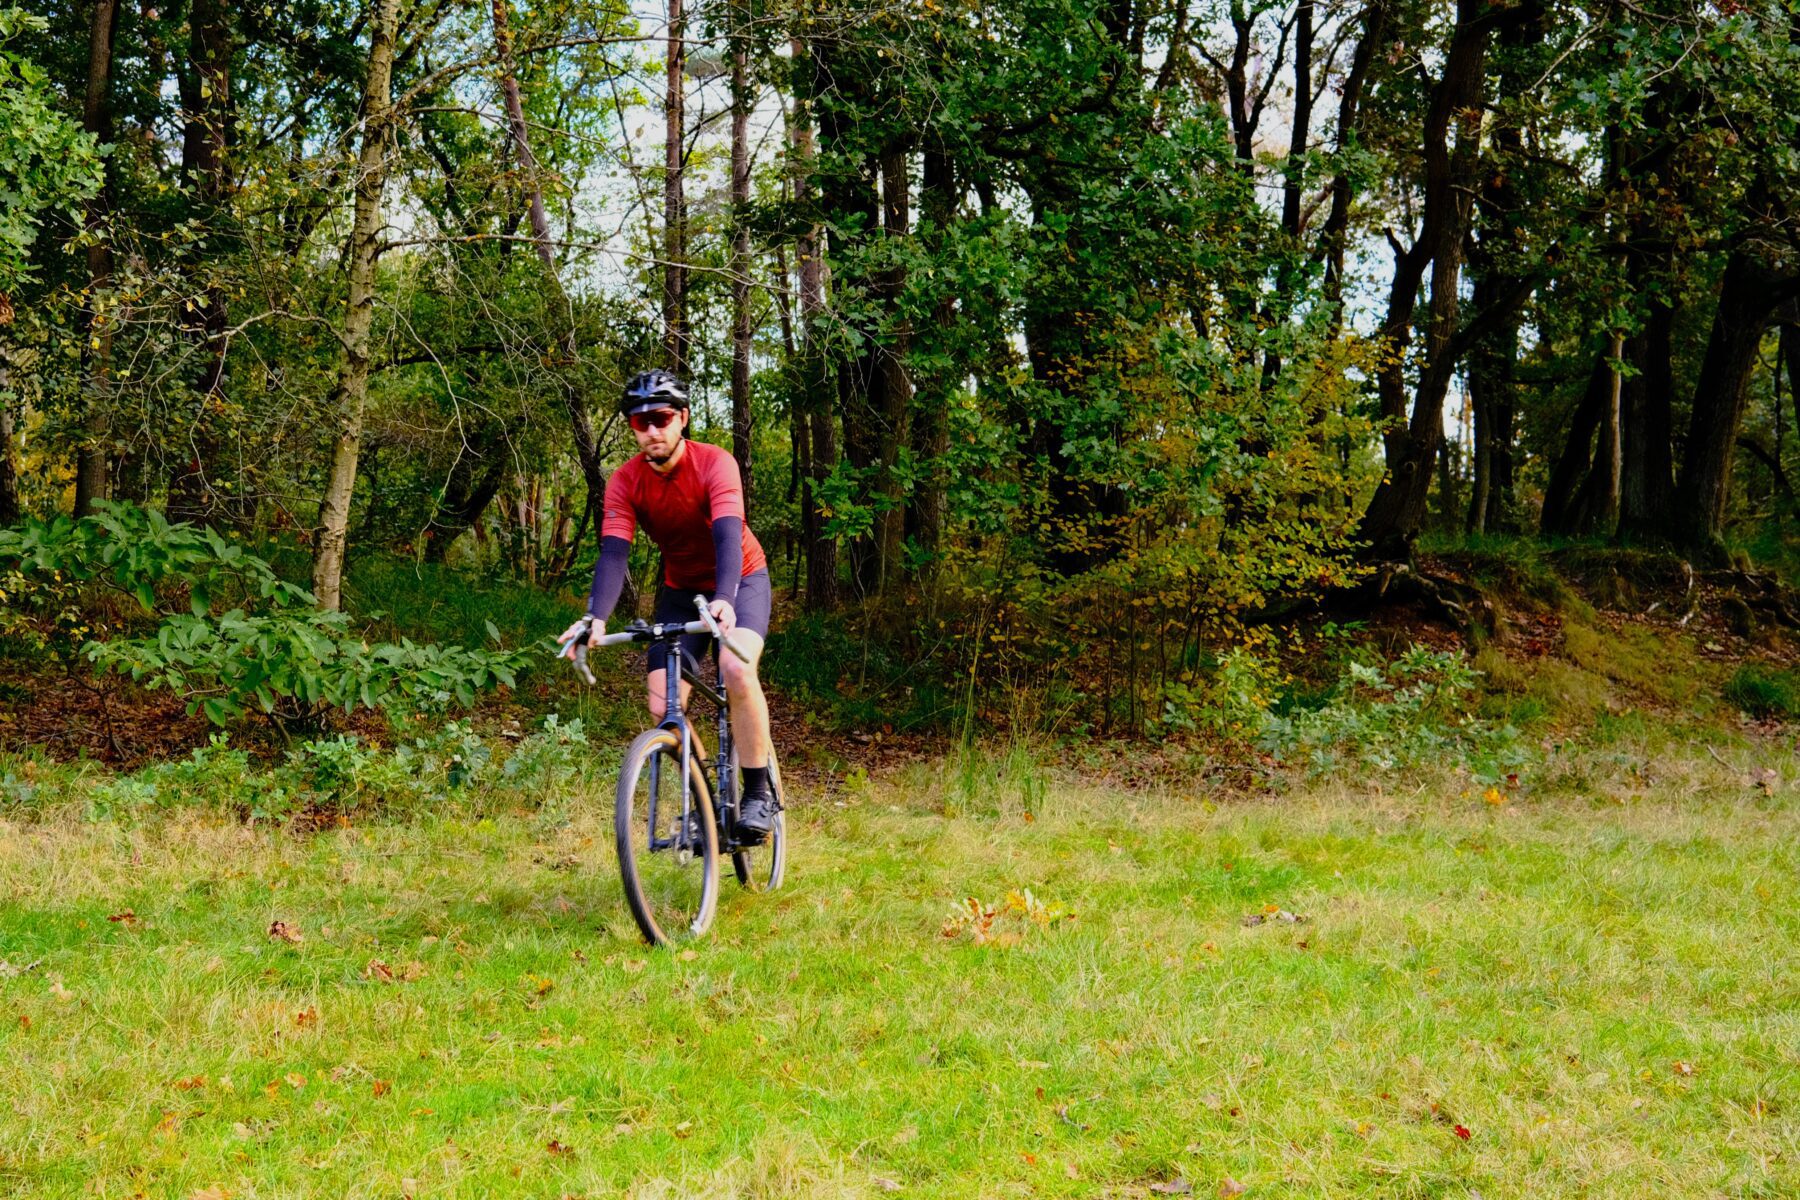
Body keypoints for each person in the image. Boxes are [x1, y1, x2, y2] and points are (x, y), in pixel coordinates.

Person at [557, 370, 778, 841]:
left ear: (682, 418)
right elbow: (614, 553)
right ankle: (701, 802)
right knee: (664, 703)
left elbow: (726, 537)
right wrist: (595, 616)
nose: (651, 430)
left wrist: (724, 599)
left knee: (736, 670)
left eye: (660, 418)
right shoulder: (626, 481)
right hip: (680, 589)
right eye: (640, 422)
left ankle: (759, 794)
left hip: (740, 577)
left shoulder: (716, 464)